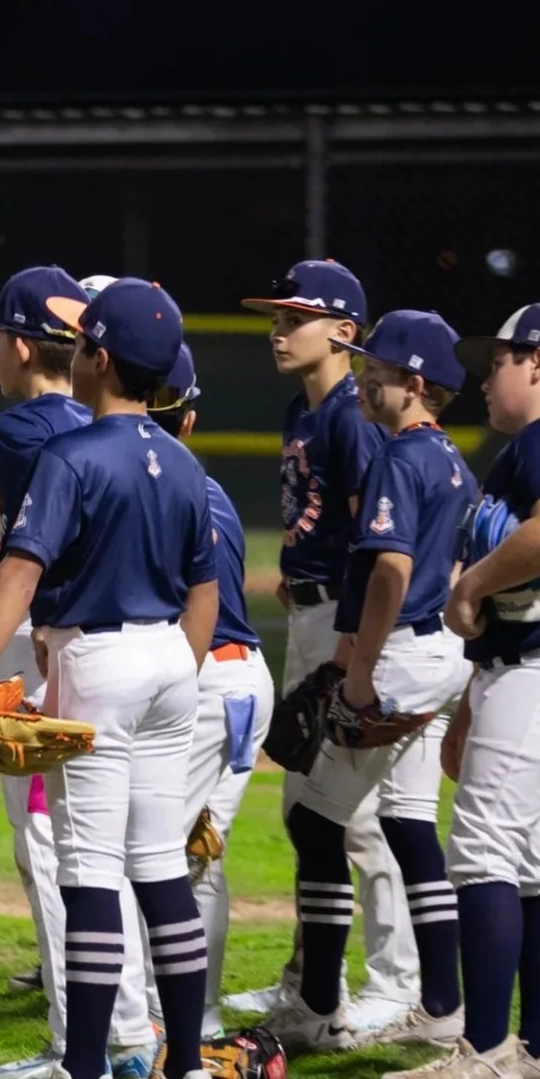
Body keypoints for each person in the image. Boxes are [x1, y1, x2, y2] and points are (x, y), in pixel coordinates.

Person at [0, 279, 223, 1079]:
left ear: (98, 357)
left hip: (101, 657)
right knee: (157, 867)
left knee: (87, 872)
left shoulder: (75, 456)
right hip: (169, 659)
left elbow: (22, 566)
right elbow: (206, 587)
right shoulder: (184, 461)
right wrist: (174, 673)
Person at [382, 304, 540, 1079]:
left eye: (500, 360)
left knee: (480, 853)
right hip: (536, 664)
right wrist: (473, 702)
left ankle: (483, 1052)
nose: (485, 375)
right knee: (539, 864)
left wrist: (469, 584)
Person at [0, 268, 156, 1079]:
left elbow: (38, 559)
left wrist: (12, 641)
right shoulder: (100, 422)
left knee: (53, 845)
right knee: (110, 853)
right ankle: (133, 1031)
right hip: (134, 649)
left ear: (24, 344)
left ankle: (84, 1037)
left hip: (54, 654)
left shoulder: (29, 426)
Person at [262, 312, 475, 1054]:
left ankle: (319, 1005)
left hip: (400, 659)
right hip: (440, 653)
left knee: (316, 822)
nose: (365, 375)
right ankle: (442, 1005)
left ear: (416, 383)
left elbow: (390, 567)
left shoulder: (396, 457)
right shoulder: (451, 457)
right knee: (411, 824)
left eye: (378, 368)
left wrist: (358, 664)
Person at [228, 261, 417, 1031]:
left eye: (294, 319)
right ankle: (312, 976)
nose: (279, 332)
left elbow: (375, 540)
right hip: (311, 614)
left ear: (345, 331)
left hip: (343, 621)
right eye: (275, 320)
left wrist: (349, 645)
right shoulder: (303, 411)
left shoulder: (347, 416)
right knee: (307, 804)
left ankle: (395, 982)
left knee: (353, 813)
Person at [140, 346, 277, 1041]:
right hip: (231, 679)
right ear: (188, 420)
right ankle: (194, 1020)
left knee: (158, 855)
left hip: (208, 679)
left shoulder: (169, 487)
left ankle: (155, 1027)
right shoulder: (194, 482)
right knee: (193, 856)